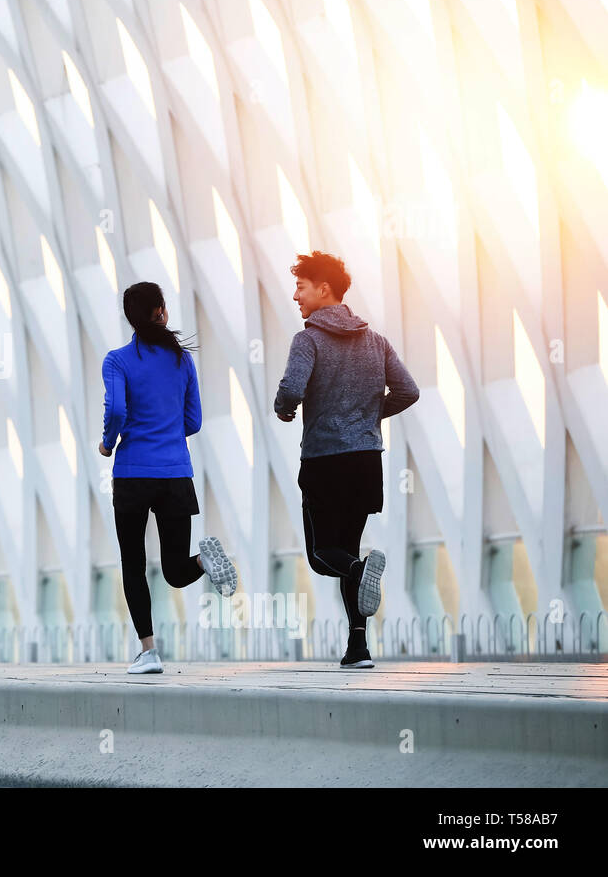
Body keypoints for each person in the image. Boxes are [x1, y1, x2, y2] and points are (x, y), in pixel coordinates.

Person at [273, 251, 419, 668]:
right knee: (347, 548)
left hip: (324, 460)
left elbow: (292, 390)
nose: (295, 296)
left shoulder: (308, 339)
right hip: (366, 460)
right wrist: (368, 416)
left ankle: (360, 572)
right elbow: (408, 391)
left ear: (324, 289)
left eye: (301, 287)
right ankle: (358, 648)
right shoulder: (376, 341)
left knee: (324, 556)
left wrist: (283, 408)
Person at [100, 281, 238, 675]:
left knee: (134, 564)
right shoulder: (182, 361)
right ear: (161, 311)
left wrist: (108, 443)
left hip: (133, 475)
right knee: (177, 570)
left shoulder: (117, 360)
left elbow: (116, 412)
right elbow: (192, 421)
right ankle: (204, 560)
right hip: (177, 474)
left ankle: (149, 652)